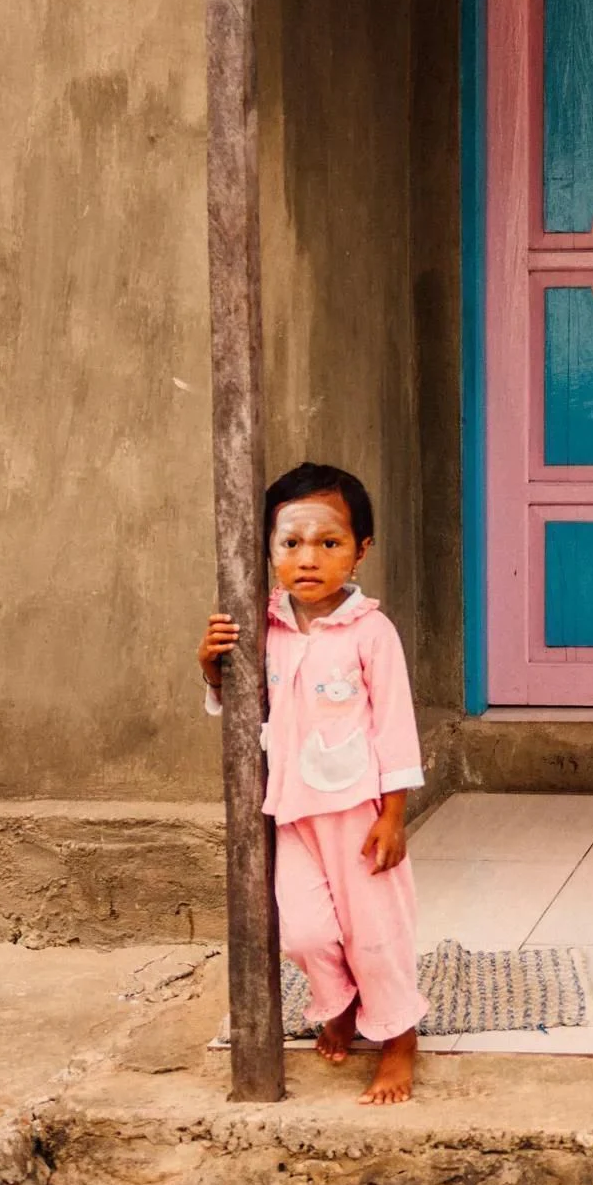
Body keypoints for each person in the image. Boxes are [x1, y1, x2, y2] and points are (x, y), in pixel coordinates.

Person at [199, 462, 428, 1104]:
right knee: (301, 931)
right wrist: (214, 667)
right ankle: (340, 1003)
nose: (308, 558)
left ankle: (398, 1038)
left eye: (328, 543)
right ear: (268, 550)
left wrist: (394, 813)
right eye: (290, 542)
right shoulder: (262, 628)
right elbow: (240, 704)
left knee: (373, 932)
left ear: (360, 552)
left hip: (359, 811)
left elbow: (396, 726)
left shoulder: (371, 633)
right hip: (291, 811)